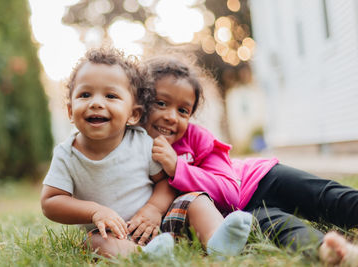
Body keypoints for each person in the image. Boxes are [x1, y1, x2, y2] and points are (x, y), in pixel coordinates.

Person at [141, 54, 358, 266]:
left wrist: (178, 167)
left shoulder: (196, 138)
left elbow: (230, 191)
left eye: (183, 110)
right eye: (160, 103)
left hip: (260, 179)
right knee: (282, 228)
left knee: (325, 196)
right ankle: (331, 251)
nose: (171, 116)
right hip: (240, 215)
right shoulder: (128, 150)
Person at [40, 47, 253, 259]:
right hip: (115, 233)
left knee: (195, 200)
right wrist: (95, 211)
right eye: (85, 95)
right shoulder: (66, 155)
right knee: (93, 242)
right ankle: (145, 255)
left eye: (110, 95)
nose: (96, 103)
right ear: (70, 110)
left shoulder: (141, 142)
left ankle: (217, 240)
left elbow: (166, 183)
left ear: (133, 113)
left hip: (161, 221)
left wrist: (153, 209)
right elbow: (51, 202)